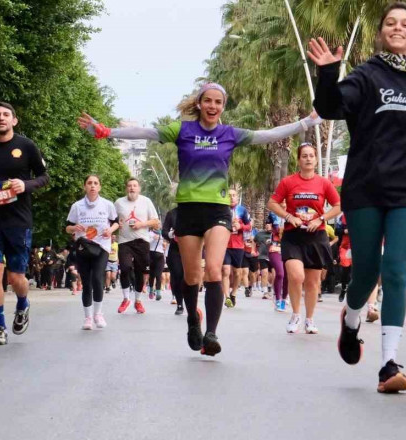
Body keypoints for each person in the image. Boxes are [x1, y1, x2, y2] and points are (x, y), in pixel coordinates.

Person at [78, 82, 319, 356]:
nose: (213, 106)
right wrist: (108, 131)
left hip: (217, 211)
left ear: (222, 107)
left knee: (214, 271)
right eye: (208, 101)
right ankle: (194, 318)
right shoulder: (183, 130)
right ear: (200, 103)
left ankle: (212, 333)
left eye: (218, 102)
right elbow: (146, 131)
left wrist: (305, 123)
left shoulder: (230, 134)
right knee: (192, 276)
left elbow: (267, 134)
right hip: (189, 211)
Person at [309, 2, 406, 392]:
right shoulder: (366, 76)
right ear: (381, 32)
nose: (397, 28)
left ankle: (389, 363)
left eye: (405, 23)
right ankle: (351, 317)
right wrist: (327, 73)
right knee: (366, 273)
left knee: (395, 269)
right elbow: (328, 107)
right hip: (365, 188)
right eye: (390, 23)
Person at [0, 101, 49, 345]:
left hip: (18, 219)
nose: (1, 118)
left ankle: (23, 304)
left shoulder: (26, 146)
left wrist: (25, 185)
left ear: (14, 120)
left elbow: (44, 177)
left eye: (6, 115)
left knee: (16, 277)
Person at [268, 143, 341, 334]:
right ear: (299, 160)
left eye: (311, 156)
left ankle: (309, 319)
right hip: (293, 236)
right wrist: (288, 216)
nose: (308, 159)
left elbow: (338, 205)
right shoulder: (288, 182)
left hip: (316, 236)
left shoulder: (324, 183)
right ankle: (295, 315)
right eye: (304, 156)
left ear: (316, 160)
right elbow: (272, 203)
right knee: (296, 276)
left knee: (312, 282)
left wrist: (321, 218)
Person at [66, 175, 119, 330]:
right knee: (86, 282)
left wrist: (110, 230)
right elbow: (68, 227)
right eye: (89, 183)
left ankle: (98, 314)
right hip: (84, 246)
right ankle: (88, 318)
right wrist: (74, 228)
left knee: (97, 278)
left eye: (96, 183)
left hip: (101, 246)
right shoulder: (77, 206)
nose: (92, 186)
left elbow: (116, 222)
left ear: (100, 187)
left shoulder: (107, 205)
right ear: (84, 187)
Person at [111, 178, 160, 314]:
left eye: (135, 186)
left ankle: (138, 301)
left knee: (140, 271)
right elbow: (112, 221)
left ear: (139, 188)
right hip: (124, 241)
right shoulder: (119, 203)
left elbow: (156, 221)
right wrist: (117, 225)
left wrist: (141, 224)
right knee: (125, 268)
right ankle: (126, 298)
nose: (132, 188)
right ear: (126, 188)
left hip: (142, 241)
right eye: (129, 186)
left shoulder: (146, 201)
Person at [223, 189, 251, 308]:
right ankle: (227, 297)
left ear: (237, 197)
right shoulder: (222, 210)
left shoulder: (242, 210)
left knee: (237, 273)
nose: (231, 197)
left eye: (234, 195)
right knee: (225, 270)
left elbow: (249, 225)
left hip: (238, 245)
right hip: (224, 245)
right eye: (229, 195)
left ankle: (233, 293)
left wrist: (241, 226)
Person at [162, 207, 185, 315]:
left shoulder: (196, 211)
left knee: (190, 276)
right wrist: (172, 234)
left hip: (192, 249)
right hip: (175, 249)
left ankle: (191, 303)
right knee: (177, 275)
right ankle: (180, 303)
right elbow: (164, 231)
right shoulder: (172, 213)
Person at [254, 222, 273, 299]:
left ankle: (270, 288)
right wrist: (253, 250)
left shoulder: (277, 233)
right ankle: (265, 292)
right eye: (267, 224)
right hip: (263, 256)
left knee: (272, 275)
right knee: (264, 273)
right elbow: (254, 241)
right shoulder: (259, 234)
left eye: (270, 224)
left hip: (273, 255)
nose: (268, 226)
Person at [147, 228, 166, 300]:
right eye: (157, 224)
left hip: (160, 256)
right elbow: (146, 243)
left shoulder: (162, 234)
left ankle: (158, 293)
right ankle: (151, 290)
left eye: (159, 225)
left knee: (158, 275)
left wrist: (164, 244)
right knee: (152, 275)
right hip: (151, 255)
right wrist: (153, 239)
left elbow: (165, 243)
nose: (158, 226)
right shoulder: (150, 233)